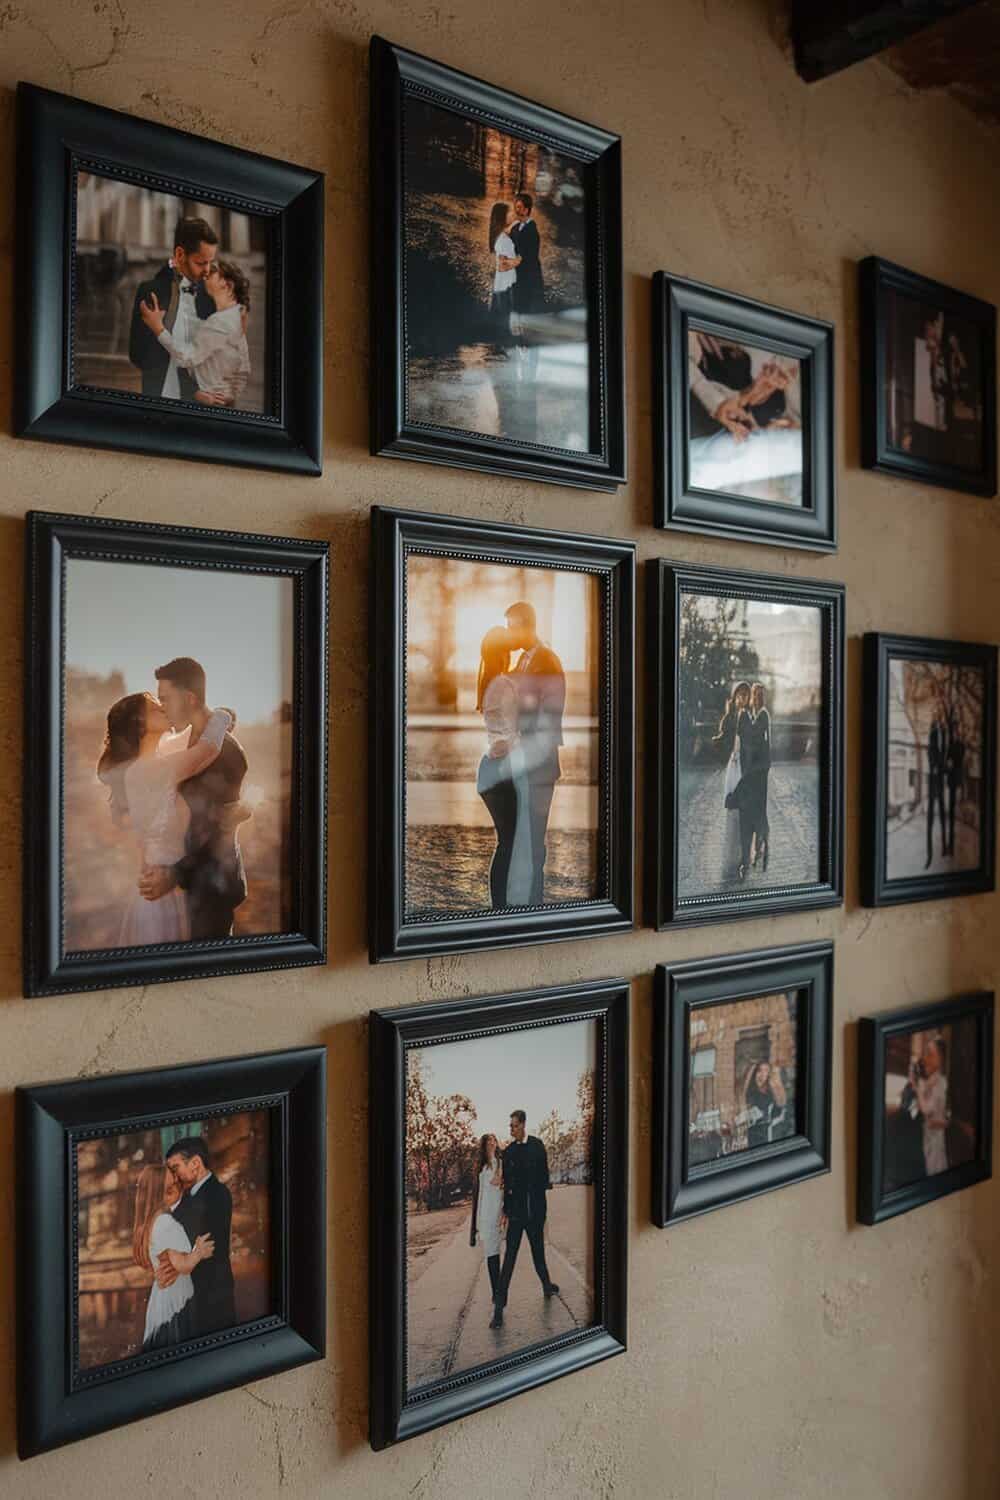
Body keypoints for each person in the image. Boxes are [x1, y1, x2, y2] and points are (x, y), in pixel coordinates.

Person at [96, 693, 233, 945]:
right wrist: (223, 716)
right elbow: (207, 750)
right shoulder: (148, 770)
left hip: (171, 885)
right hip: (160, 891)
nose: (163, 707)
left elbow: (188, 737)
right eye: (154, 707)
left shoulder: (156, 761)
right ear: (140, 723)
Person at [136, 658, 249, 939]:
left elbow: (216, 833)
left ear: (190, 698)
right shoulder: (195, 743)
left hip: (213, 886)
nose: (162, 707)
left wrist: (174, 875)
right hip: (193, 883)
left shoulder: (224, 752)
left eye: (166, 699)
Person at [504, 602, 566, 905]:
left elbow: (549, 716)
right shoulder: (524, 662)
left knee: (533, 839)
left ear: (525, 625)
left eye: (510, 626)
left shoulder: (546, 661)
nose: (507, 633)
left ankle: (533, 905)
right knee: (523, 837)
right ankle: (525, 901)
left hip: (539, 765)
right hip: (523, 761)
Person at [138, 258, 252, 408]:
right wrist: (229, 396)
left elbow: (185, 358)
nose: (206, 274)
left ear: (227, 285)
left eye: (212, 273)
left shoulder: (220, 322)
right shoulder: (235, 315)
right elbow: (244, 369)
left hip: (208, 406)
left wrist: (157, 328)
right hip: (219, 402)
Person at [128, 216, 218, 399]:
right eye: (201, 263)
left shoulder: (210, 294)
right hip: (160, 394)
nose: (207, 270)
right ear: (179, 254)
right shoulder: (152, 291)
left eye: (210, 262)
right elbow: (137, 354)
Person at [475, 626, 533, 907]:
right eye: (508, 649)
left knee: (507, 842)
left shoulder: (489, 682)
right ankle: (500, 906)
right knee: (508, 843)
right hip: (500, 769)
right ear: (503, 653)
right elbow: (512, 731)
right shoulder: (503, 684)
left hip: (491, 768)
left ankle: (501, 903)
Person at [131, 1163, 215, 1352]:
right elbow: (183, 1265)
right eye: (172, 1183)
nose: (177, 1182)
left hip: (163, 1296)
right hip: (176, 1296)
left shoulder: (153, 1221)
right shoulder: (166, 1223)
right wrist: (198, 1253)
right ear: (161, 1191)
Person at [490, 1110, 559, 1329]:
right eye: (510, 1126)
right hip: (517, 1217)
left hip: (535, 1214)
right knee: (509, 1259)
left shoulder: (537, 1146)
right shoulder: (509, 1152)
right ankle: (498, 1310)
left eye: (514, 1126)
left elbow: (544, 1178)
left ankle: (547, 1286)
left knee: (539, 1254)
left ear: (523, 1125)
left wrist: (543, 1212)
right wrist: (506, 1212)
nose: (511, 1129)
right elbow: (506, 1185)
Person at [162, 1136, 237, 1335]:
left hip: (211, 1290)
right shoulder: (187, 1196)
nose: (173, 1176)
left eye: (175, 1168)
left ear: (195, 1163)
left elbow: (204, 1244)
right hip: (193, 1290)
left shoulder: (217, 1194)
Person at [712, 680, 751, 883]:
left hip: (746, 771)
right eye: (739, 694)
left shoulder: (752, 717)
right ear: (735, 697)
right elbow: (724, 737)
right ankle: (730, 863)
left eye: (746, 694)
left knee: (745, 818)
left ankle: (743, 862)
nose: (742, 698)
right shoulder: (731, 717)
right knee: (732, 815)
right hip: (733, 769)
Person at [469, 1134, 505, 1313]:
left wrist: (504, 1212)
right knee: (491, 1253)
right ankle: (497, 1292)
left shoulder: (501, 1163)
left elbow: (504, 1187)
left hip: (496, 1213)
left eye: (494, 1140)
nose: (492, 1143)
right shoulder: (481, 1167)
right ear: (483, 1146)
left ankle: (497, 1293)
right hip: (484, 1215)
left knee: (494, 1252)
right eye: (488, 1141)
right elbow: (479, 1195)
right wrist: (475, 1222)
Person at [508, 193, 545, 333]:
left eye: (519, 207)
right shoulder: (516, 228)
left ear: (526, 209)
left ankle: (525, 335)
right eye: (515, 207)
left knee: (525, 304)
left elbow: (529, 256)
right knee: (517, 303)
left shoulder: (531, 230)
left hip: (528, 274)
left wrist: (514, 262)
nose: (516, 210)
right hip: (517, 273)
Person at [914, 1041, 949, 1176]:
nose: (925, 1059)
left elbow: (926, 1109)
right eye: (926, 1054)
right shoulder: (932, 1079)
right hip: (928, 1132)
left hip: (935, 1134)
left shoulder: (941, 1082)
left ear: (940, 1059)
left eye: (930, 1054)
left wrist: (919, 1089)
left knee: (935, 1165)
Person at [487, 203, 518, 350]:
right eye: (510, 212)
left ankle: (503, 350)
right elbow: (502, 265)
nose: (513, 214)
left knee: (506, 323)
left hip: (504, 285)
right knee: (507, 325)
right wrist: (521, 260)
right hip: (506, 286)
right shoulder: (503, 239)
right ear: (501, 217)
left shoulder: (504, 235)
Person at [743, 1061, 787, 1149]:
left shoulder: (771, 1092)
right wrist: (752, 1068)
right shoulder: (751, 1092)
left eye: (766, 1071)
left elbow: (781, 1105)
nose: (762, 1074)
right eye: (759, 1070)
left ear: (769, 1075)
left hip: (769, 1133)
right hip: (754, 1133)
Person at [925, 710, 948, 869]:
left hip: (940, 777)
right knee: (931, 816)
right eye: (936, 717)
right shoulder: (932, 734)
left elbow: (944, 754)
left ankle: (944, 847)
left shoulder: (944, 734)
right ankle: (930, 854)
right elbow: (931, 752)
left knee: (942, 812)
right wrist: (934, 767)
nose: (938, 719)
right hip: (934, 777)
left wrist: (943, 769)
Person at [945, 711, 966, 858]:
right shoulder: (953, 745)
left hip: (955, 779)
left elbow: (956, 760)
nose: (955, 732)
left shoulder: (958, 745)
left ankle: (952, 845)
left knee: (953, 812)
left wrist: (951, 764)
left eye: (956, 729)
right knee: (951, 812)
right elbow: (949, 761)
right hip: (952, 779)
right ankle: (950, 845)